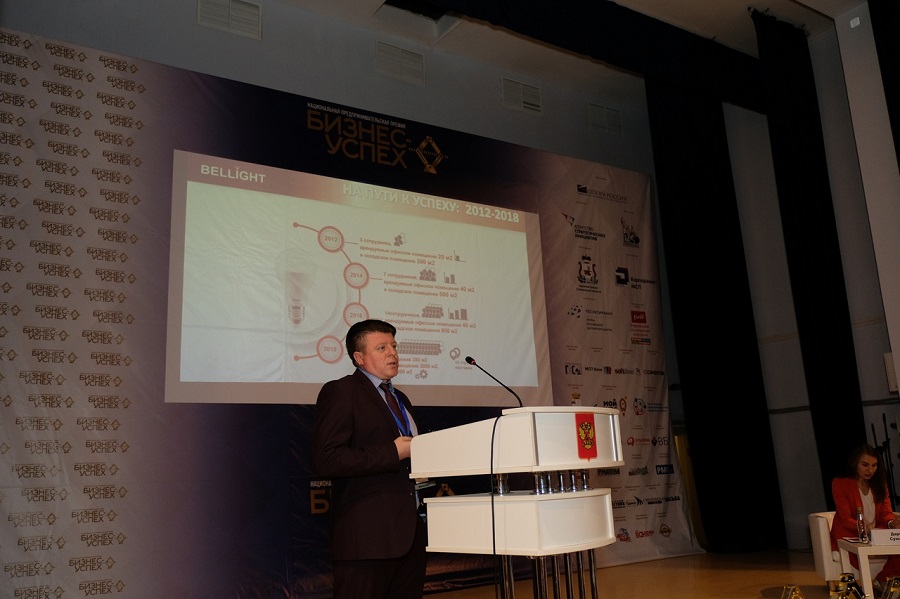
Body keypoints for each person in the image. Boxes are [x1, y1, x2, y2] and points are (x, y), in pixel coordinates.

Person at [311, 319, 427, 599]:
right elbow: (326, 459)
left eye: (394, 346)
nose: (393, 353)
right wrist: (392, 452)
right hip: (366, 540)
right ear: (359, 357)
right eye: (382, 348)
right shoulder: (342, 391)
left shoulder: (400, 398)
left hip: (410, 535)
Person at [830, 443, 900, 589]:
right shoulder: (840, 483)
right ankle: (882, 582)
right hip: (850, 532)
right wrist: (863, 527)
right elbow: (846, 518)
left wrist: (891, 523)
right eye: (865, 465)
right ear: (855, 463)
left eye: (874, 465)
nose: (870, 470)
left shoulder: (880, 484)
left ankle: (882, 579)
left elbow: (886, 512)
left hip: (876, 533)